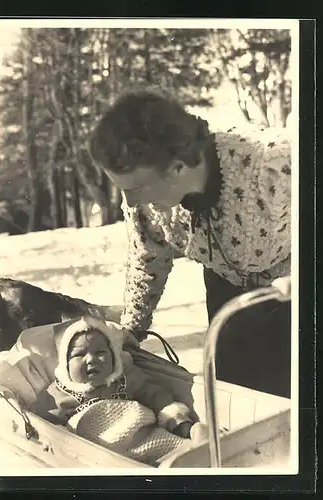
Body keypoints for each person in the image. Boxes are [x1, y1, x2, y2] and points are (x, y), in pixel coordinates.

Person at [87, 87, 292, 399]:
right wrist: (132, 328)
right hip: (229, 296)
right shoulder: (145, 204)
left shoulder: (271, 165)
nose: (129, 201)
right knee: (235, 400)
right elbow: (147, 260)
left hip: (296, 296)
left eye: (138, 187)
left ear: (178, 167)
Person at [30, 315, 206, 466]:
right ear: (65, 364)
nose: (91, 359)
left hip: (143, 435)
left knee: (171, 445)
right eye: (79, 355)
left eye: (100, 352)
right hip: (103, 452)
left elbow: (156, 395)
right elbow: (46, 423)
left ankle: (192, 442)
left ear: (113, 355)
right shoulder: (58, 393)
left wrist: (179, 421)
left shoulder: (126, 377)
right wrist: (54, 440)